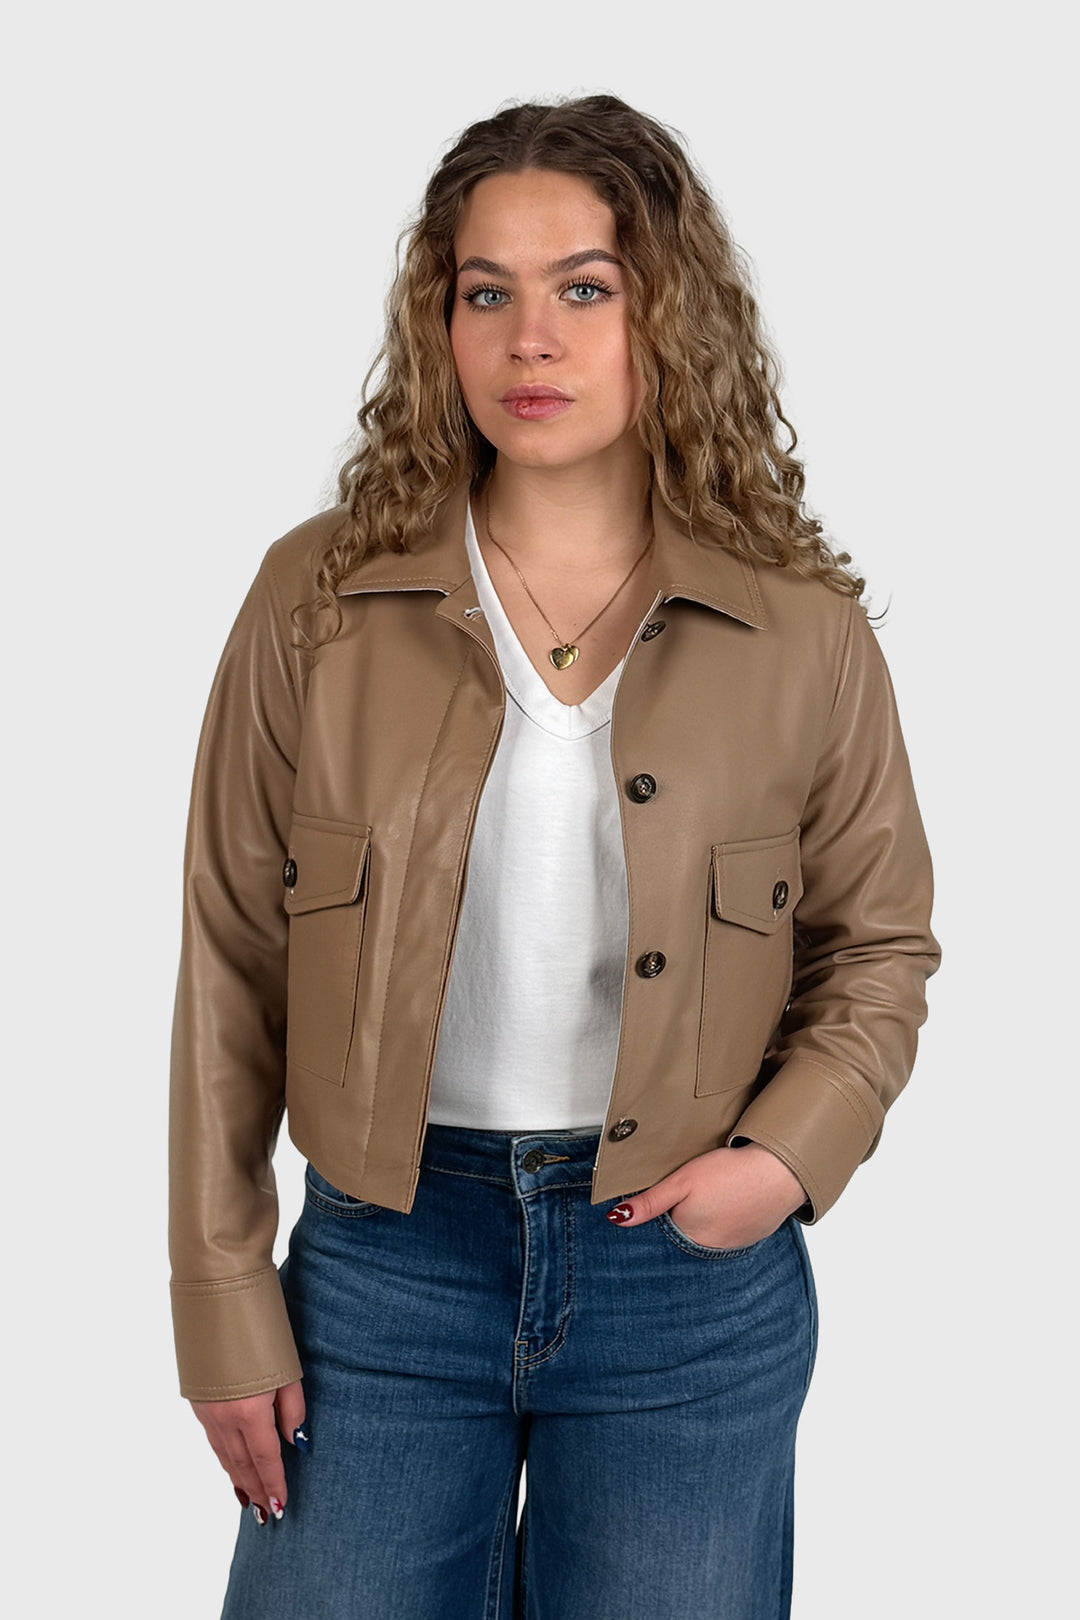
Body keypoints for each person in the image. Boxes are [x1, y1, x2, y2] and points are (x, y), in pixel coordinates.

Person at [169, 94, 939, 1620]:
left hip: (686, 1282)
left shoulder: (800, 623)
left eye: (586, 288)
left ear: (670, 316)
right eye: (487, 292)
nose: (532, 339)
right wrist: (220, 1288)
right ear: (439, 322)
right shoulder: (315, 600)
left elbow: (878, 942)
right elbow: (230, 953)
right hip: (381, 1273)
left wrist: (789, 1158)